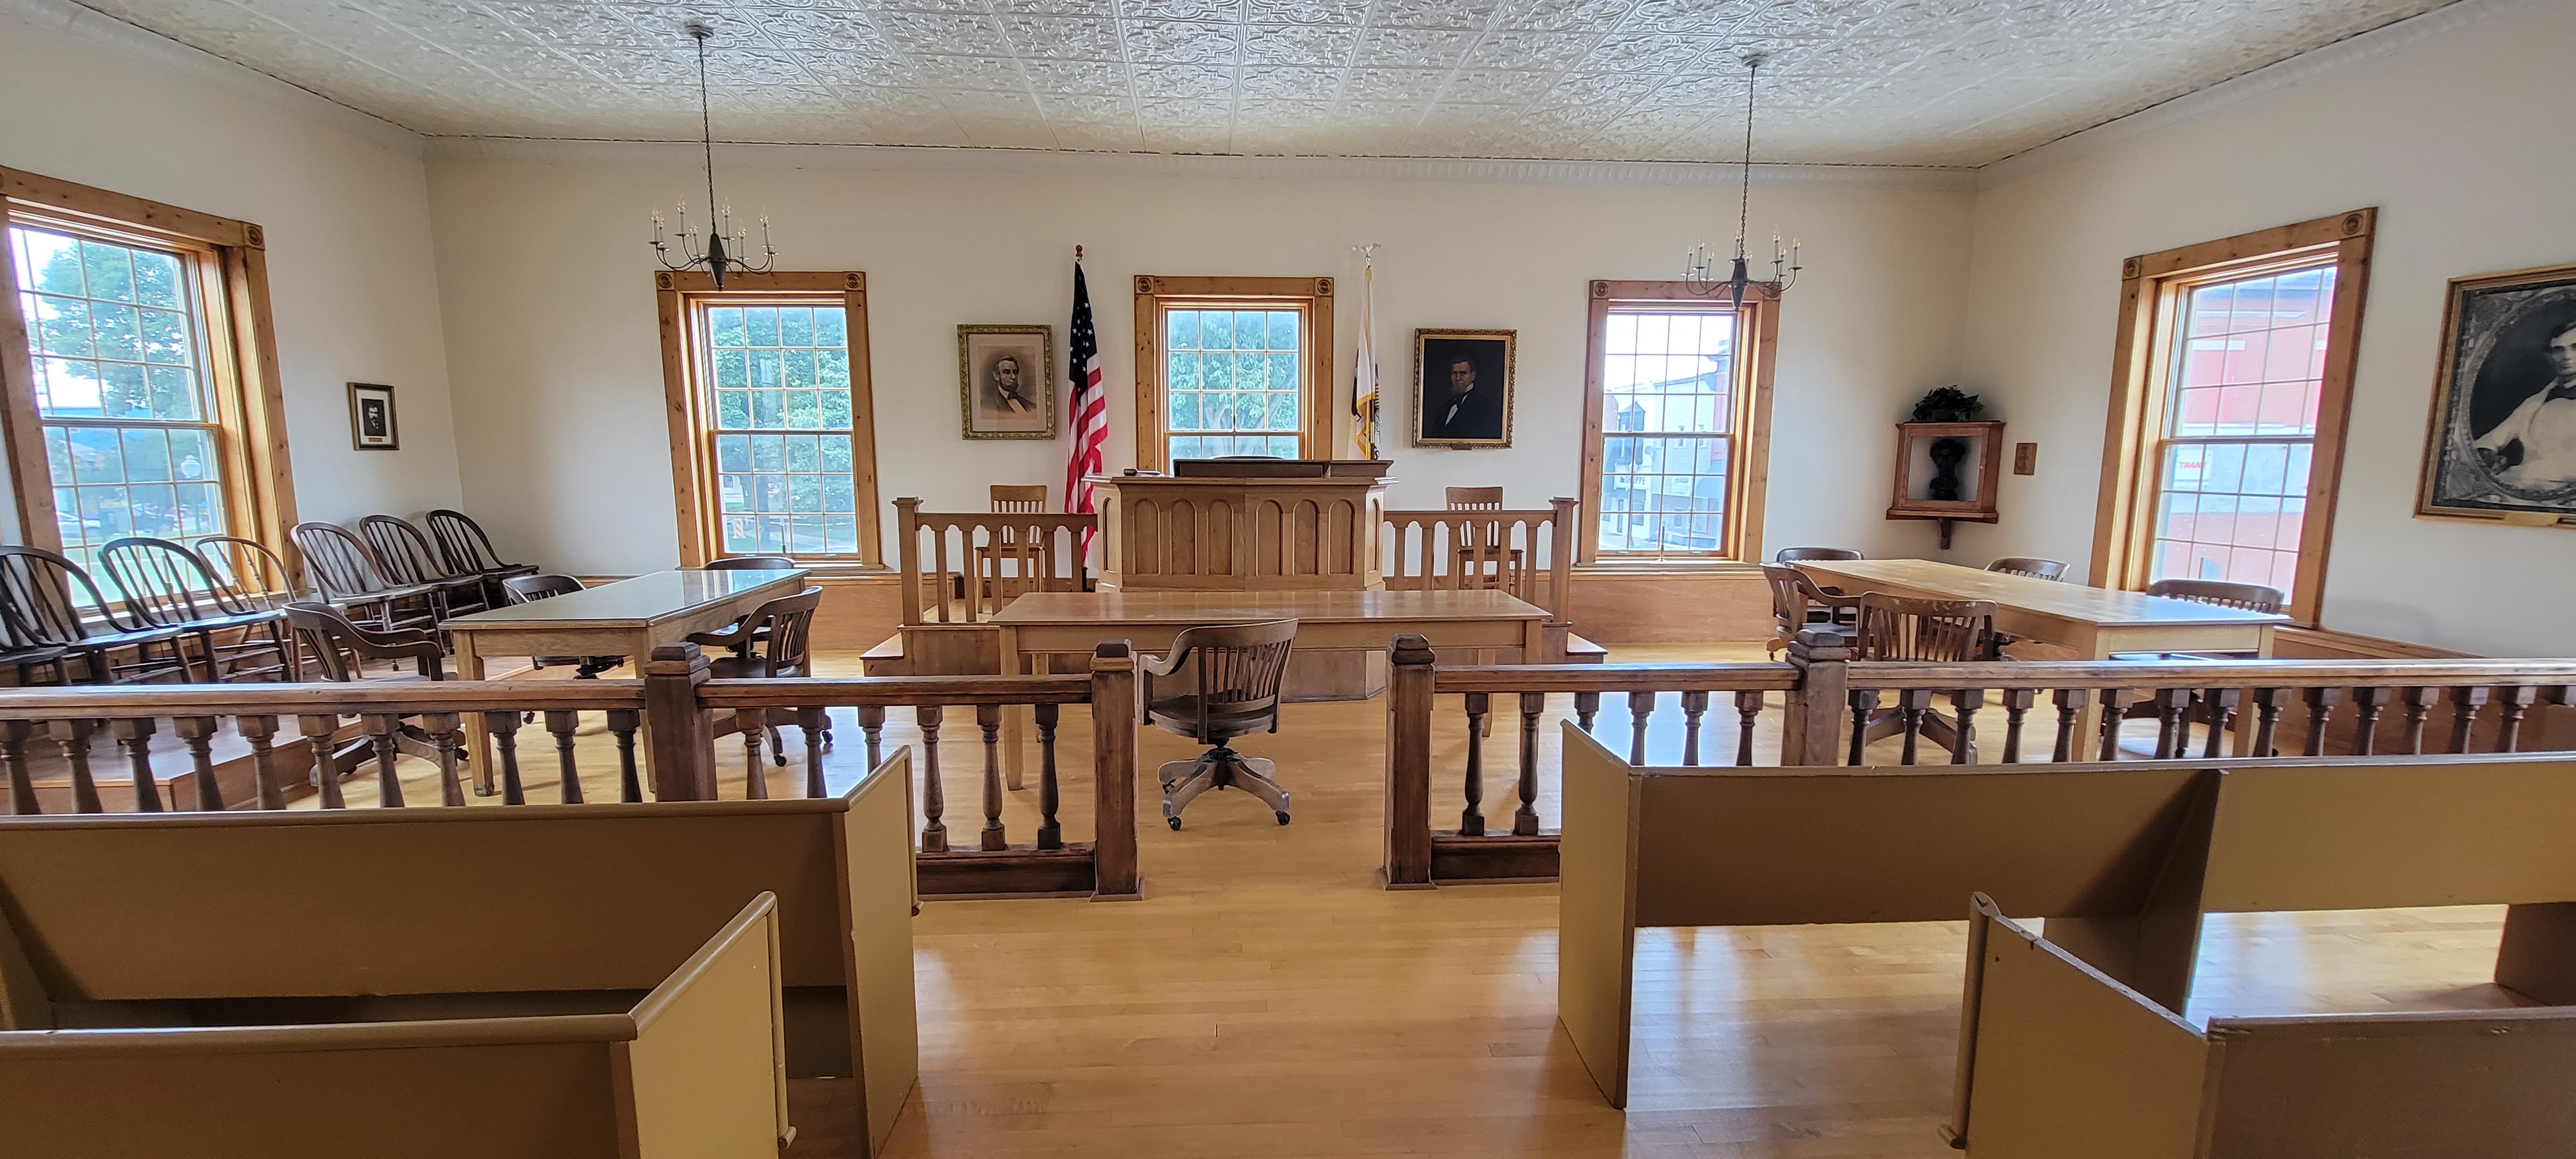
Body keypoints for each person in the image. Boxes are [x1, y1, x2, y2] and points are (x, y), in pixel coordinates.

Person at [2476, 318, 2576, 489]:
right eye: (2559, 350)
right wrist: (2487, 453)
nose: (2567, 357)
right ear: (2550, 356)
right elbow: (2497, 436)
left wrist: (2511, 474)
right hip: (2520, 487)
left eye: (2575, 347)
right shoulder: (2538, 400)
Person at [1422, 353, 1503, 441]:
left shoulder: (1487, 408)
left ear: (1473, 376)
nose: (1458, 378)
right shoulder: (1444, 409)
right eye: (1454, 373)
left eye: (1463, 373)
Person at [983, 353, 1037, 418]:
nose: (1013, 377)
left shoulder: (1030, 406)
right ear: (996, 376)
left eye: (1015, 372)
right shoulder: (987, 405)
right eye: (1007, 373)